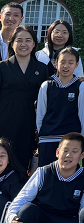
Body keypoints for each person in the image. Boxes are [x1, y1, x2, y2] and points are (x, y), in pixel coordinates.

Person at [0, 24, 54, 171]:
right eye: (19, 40)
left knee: (24, 159)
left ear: (34, 43)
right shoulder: (2, 67)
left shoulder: (42, 69)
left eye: (28, 40)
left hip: (30, 119)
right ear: (12, 43)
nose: (23, 44)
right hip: (5, 118)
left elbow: (46, 98)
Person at [36, 46, 84, 166]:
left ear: (76, 65)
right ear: (55, 63)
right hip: (48, 138)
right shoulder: (46, 86)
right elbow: (40, 115)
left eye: (70, 62)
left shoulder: (81, 87)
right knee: (47, 174)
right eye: (63, 62)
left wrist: (79, 138)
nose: (66, 66)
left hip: (70, 139)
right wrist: (43, 135)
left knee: (67, 173)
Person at [0, 137, 27, 223]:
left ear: (8, 158)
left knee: (3, 202)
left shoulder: (14, 177)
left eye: (2, 156)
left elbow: (17, 206)